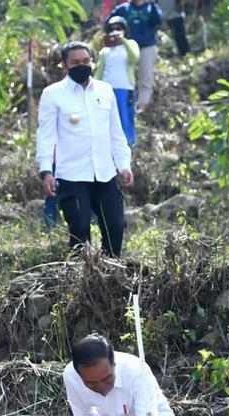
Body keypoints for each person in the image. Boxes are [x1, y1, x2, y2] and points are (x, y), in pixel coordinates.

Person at [36, 41, 133, 257]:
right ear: (64, 65)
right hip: (72, 176)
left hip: (105, 173)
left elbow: (116, 133)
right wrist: (46, 172)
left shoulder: (105, 90)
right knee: (79, 231)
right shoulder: (53, 94)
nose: (82, 65)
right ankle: (79, 279)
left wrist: (124, 165)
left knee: (115, 227)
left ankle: (110, 275)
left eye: (85, 61)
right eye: (75, 62)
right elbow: (46, 136)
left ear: (92, 62)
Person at [95, 16, 140, 146]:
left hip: (125, 88)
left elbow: (134, 58)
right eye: (112, 29)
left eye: (119, 29)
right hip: (107, 89)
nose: (115, 32)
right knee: (108, 117)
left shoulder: (131, 44)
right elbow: (99, 71)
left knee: (125, 116)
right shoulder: (105, 51)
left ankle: (128, 143)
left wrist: (123, 41)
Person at [111, 0, 162, 112]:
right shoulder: (123, 8)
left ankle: (143, 104)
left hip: (147, 46)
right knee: (126, 75)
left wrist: (153, 5)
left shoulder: (151, 7)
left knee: (146, 75)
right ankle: (126, 102)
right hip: (127, 47)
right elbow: (111, 23)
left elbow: (158, 21)